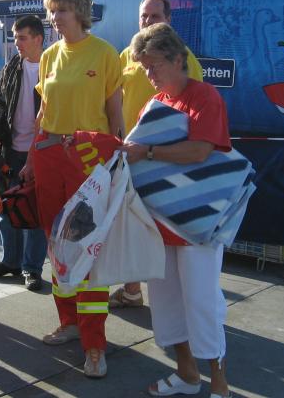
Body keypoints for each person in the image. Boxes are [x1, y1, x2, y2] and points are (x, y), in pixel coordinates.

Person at [121, 23, 231, 398]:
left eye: (154, 66)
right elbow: (135, 154)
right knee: (166, 301)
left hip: (199, 220)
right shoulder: (156, 103)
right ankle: (187, 374)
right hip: (161, 220)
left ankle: (220, 384)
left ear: (178, 60)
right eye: (144, 67)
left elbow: (201, 150)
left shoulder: (204, 96)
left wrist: (148, 152)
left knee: (201, 300)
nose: (149, 75)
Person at [20, 0, 123, 378]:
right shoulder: (48, 56)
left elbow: (115, 115)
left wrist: (115, 161)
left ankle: (95, 344)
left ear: (79, 12)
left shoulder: (105, 53)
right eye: (52, 11)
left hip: (88, 160)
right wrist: (31, 158)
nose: (54, 18)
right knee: (57, 245)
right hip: (49, 157)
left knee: (87, 247)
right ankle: (69, 322)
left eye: (61, 10)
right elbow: (43, 113)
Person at [111, 0, 204, 309]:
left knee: (162, 228)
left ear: (168, 20)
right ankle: (132, 290)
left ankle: (176, 300)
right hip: (130, 154)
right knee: (131, 224)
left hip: (163, 158)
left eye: (154, 16)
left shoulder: (184, 58)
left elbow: (192, 112)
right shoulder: (127, 55)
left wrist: (162, 152)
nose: (147, 22)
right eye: (143, 16)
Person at [0, 14, 47, 291]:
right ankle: (10, 261)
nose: (16, 43)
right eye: (14, 37)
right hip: (11, 150)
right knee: (6, 209)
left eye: (21, 38)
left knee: (34, 213)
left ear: (38, 39)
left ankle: (32, 268)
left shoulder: (52, 66)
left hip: (41, 151)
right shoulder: (12, 66)